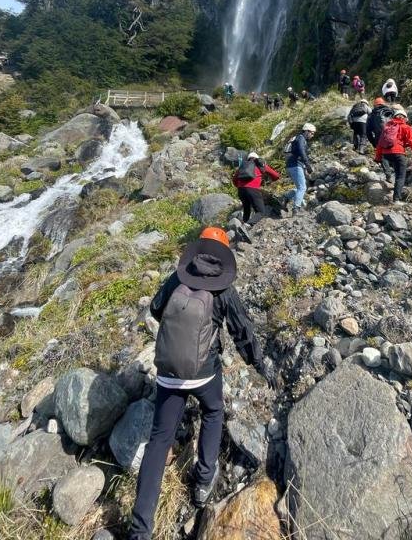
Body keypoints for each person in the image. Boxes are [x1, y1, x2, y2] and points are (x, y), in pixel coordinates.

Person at [127, 227, 275, 540]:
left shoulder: (177, 277)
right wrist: (259, 364)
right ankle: (203, 483)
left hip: (169, 372)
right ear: (223, 256)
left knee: (159, 440)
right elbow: (243, 331)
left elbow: (155, 308)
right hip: (205, 373)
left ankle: (140, 530)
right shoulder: (224, 290)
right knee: (213, 411)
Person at [375, 107, 412, 203]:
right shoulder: (406, 127)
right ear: (404, 118)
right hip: (398, 153)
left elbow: (379, 143)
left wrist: (378, 157)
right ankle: (396, 200)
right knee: (400, 177)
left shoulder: (387, 127)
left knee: (396, 172)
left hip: (386, 154)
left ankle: (389, 178)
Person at [232, 151, 280, 225]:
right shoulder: (260, 164)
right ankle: (248, 225)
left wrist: (241, 186)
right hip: (253, 189)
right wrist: (271, 180)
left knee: (247, 210)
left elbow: (234, 180)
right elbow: (276, 175)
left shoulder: (243, 166)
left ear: (248, 159)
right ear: (257, 158)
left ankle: (242, 225)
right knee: (261, 212)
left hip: (241, 190)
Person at [284, 122, 316, 214]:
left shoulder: (297, 138)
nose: (312, 135)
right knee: (302, 188)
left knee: (300, 188)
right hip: (295, 165)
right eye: (312, 133)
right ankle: (296, 208)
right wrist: (308, 165)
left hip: (291, 165)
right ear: (306, 131)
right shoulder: (301, 138)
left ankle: (285, 198)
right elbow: (302, 152)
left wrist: (304, 167)